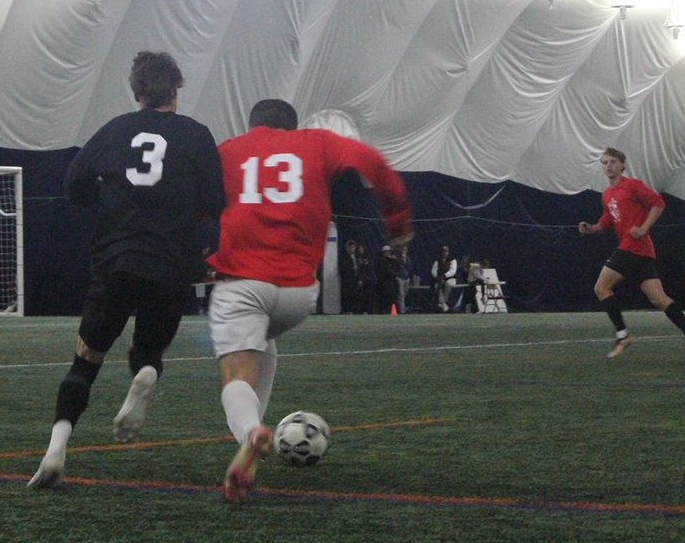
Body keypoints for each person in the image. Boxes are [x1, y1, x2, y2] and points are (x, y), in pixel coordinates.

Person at [29, 51, 225, 489]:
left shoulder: (114, 130)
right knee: (147, 352)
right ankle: (147, 374)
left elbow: (73, 186)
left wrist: (110, 195)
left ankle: (56, 447)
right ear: (176, 89)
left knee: (84, 363)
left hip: (115, 261)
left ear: (137, 92)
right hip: (171, 264)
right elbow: (218, 201)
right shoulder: (195, 135)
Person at [206, 98, 412, 503]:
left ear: (252, 126)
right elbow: (375, 163)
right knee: (264, 341)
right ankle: (252, 438)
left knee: (236, 376)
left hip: (243, 285)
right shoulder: (316, 142)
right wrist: (398, 222)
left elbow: (193, 197)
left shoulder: (228, 150)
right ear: (292, 125)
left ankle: (251, 433)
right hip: (299, 294)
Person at [578, 147, 685, 362]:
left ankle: (623, 336)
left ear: (622, 165)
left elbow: (658, 203)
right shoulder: (607, 195)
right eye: (605, 162)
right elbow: (608, 220)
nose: (608, 166)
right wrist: (592, 228)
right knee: (658, 298)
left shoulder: (632, 186)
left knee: (601, 287)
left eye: (612, 162)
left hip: (633, 247)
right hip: (641, 253)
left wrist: (643, 228)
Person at [432, 244, 457, 312]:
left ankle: (444, 302)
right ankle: (442, 303)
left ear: (448, 252)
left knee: (448, 284)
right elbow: (433, 271)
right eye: (443, 251)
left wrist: (444, 276)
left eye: (446, 251)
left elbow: (453, 271)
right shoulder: (438, 260)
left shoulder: (452, 260)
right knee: (437, 286)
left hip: (451, 278)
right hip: (440, 278)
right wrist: (437, 277)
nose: (444, 253)